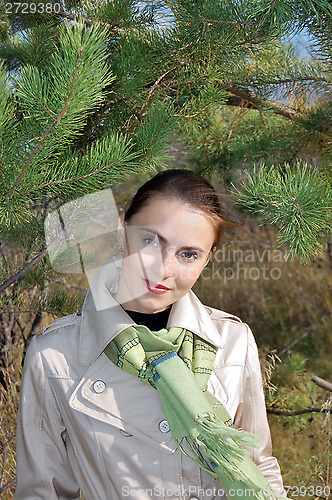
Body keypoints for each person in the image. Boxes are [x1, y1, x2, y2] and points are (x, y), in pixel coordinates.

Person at [15, 169, 286, 500]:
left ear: (207, 259)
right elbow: (43, 492)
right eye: (149, 241)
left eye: (188, 254)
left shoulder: (233, 342)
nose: (163, 269)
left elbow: (259, 465)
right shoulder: (55, 357)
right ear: (121, 227)